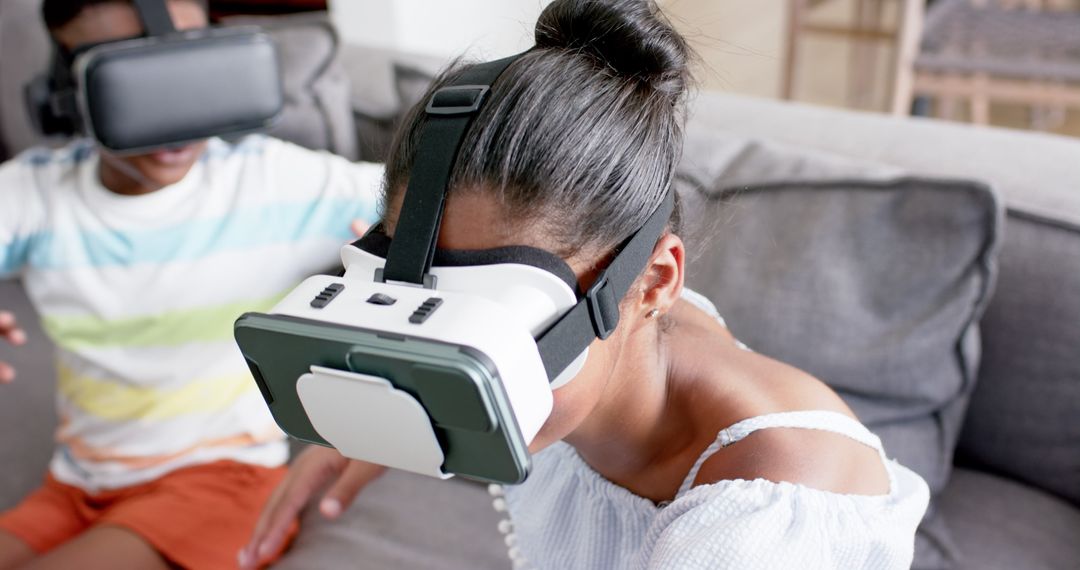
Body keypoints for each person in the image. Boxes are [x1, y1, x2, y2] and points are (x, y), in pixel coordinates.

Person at [241, 0, 931, 568]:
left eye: (488, 322)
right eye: (424, 306)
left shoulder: (756, 523)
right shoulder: (629, 344)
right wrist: (384, 409)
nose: (454, 357)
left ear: (654, 281)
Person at [0, 1, 383, 568]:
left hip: (224, 481)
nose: (169, 104)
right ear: (59, 94)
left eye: (188, 60)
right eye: (128, 72)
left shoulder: (271, 181)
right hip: (76, 487)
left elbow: (428, 195)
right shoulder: (36, 195)